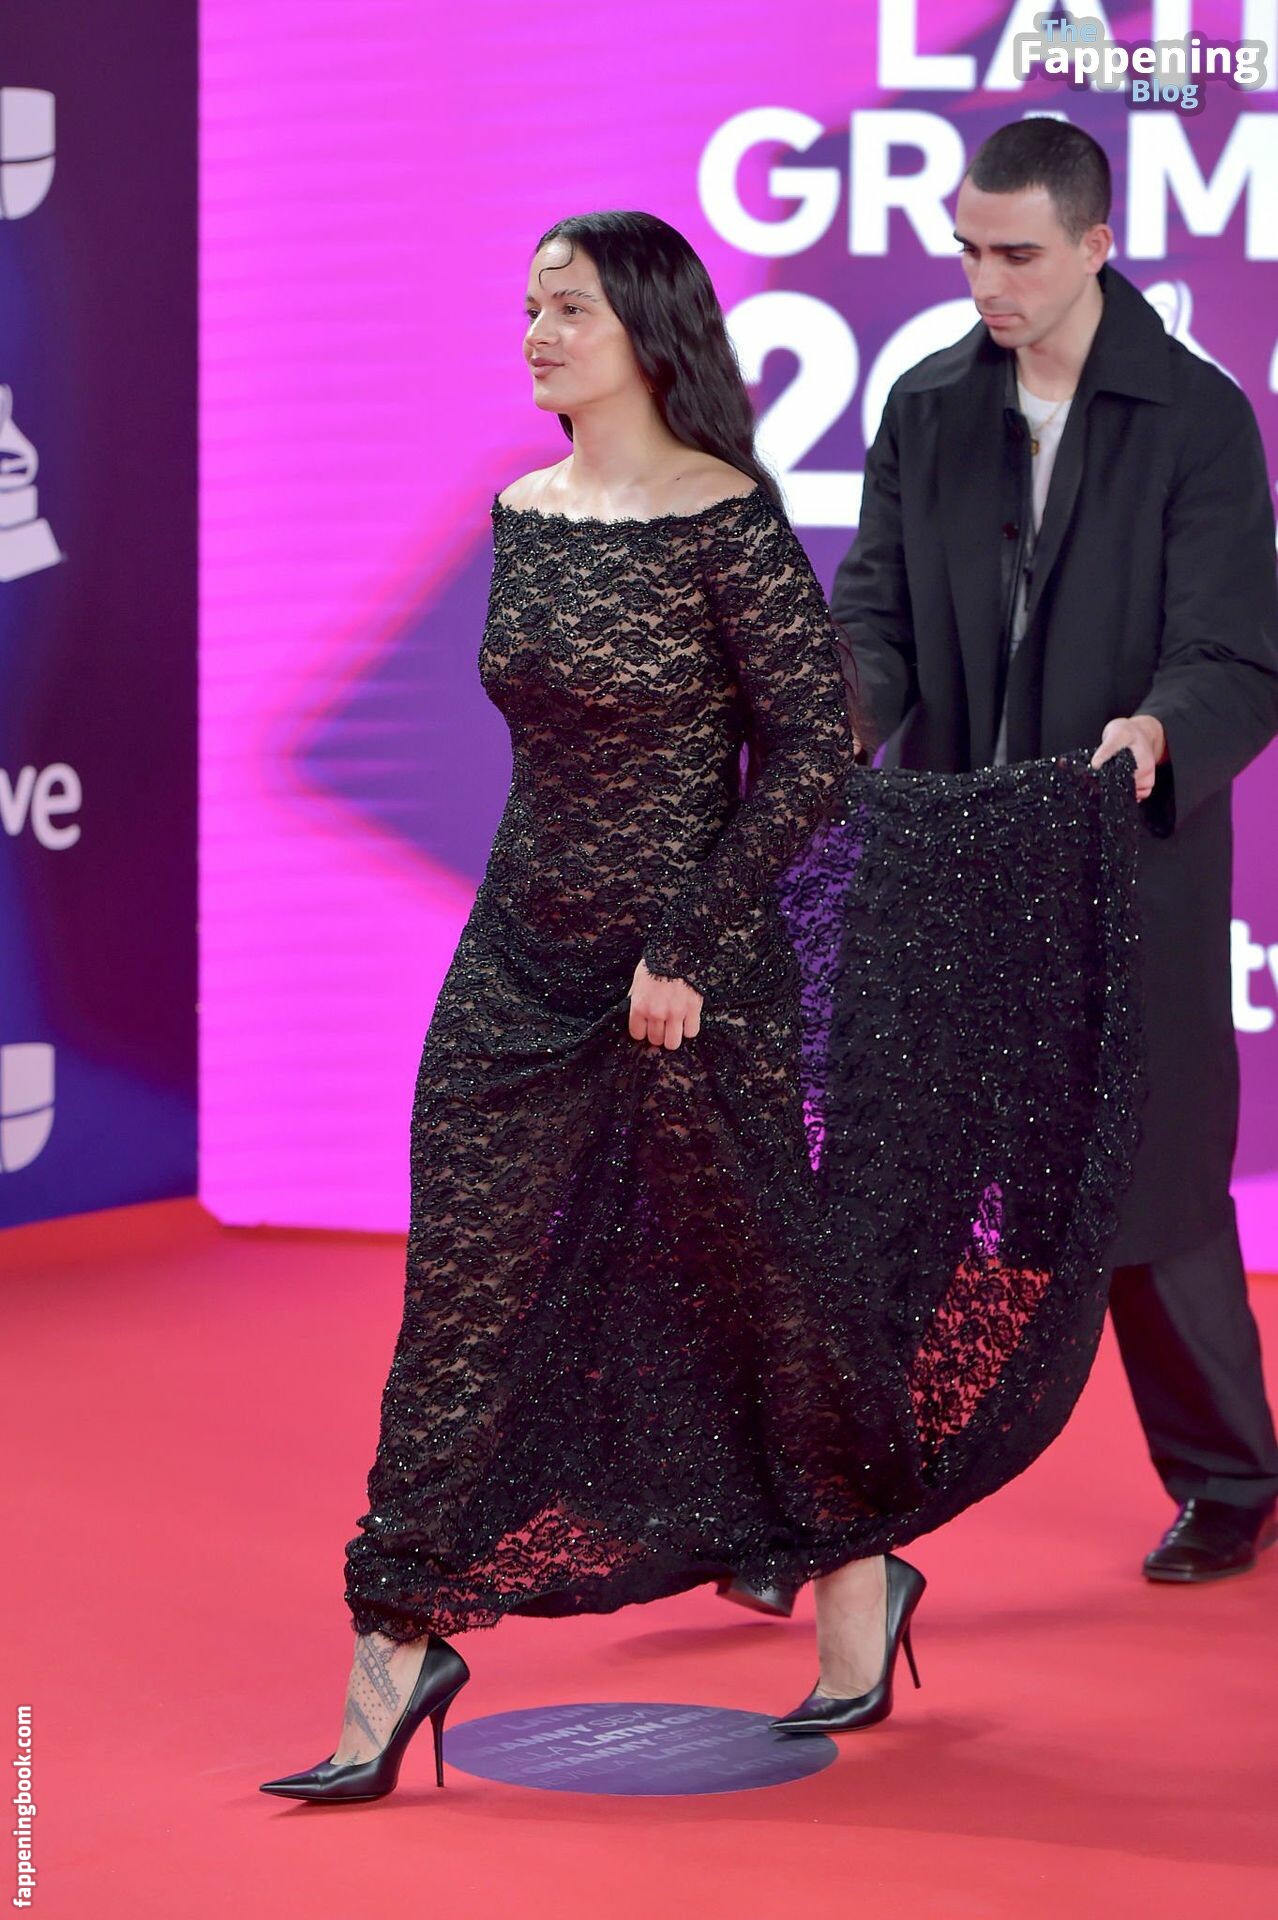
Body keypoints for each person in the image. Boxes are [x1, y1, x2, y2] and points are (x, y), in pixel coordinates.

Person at [260, 210, 1143, 1805]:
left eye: (570, 309)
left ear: (647, 332)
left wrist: (683, 946)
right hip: (516, 963)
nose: (537, 334)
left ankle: (859, 1570)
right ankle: (396, 1636)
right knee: (459, 1297)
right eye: (528, 306)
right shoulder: (521, 512)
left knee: (762, 1294)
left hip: (696, 975)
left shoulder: (724, 518)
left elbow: (808, 753)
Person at [829, 120, 1278, 1588]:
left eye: (1017, 254)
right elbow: (875, 616)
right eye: (967, 251)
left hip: (1120, 863)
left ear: (1095, 244)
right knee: (893, 1188)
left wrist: (1158, 733)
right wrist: (836, 716)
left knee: (1149, 1191)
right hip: (947, 858)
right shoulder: (925, 406)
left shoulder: (1196, 418)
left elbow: (1235, 651)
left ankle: (1229, 1479)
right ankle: (832, 1501)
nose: (987, 283)